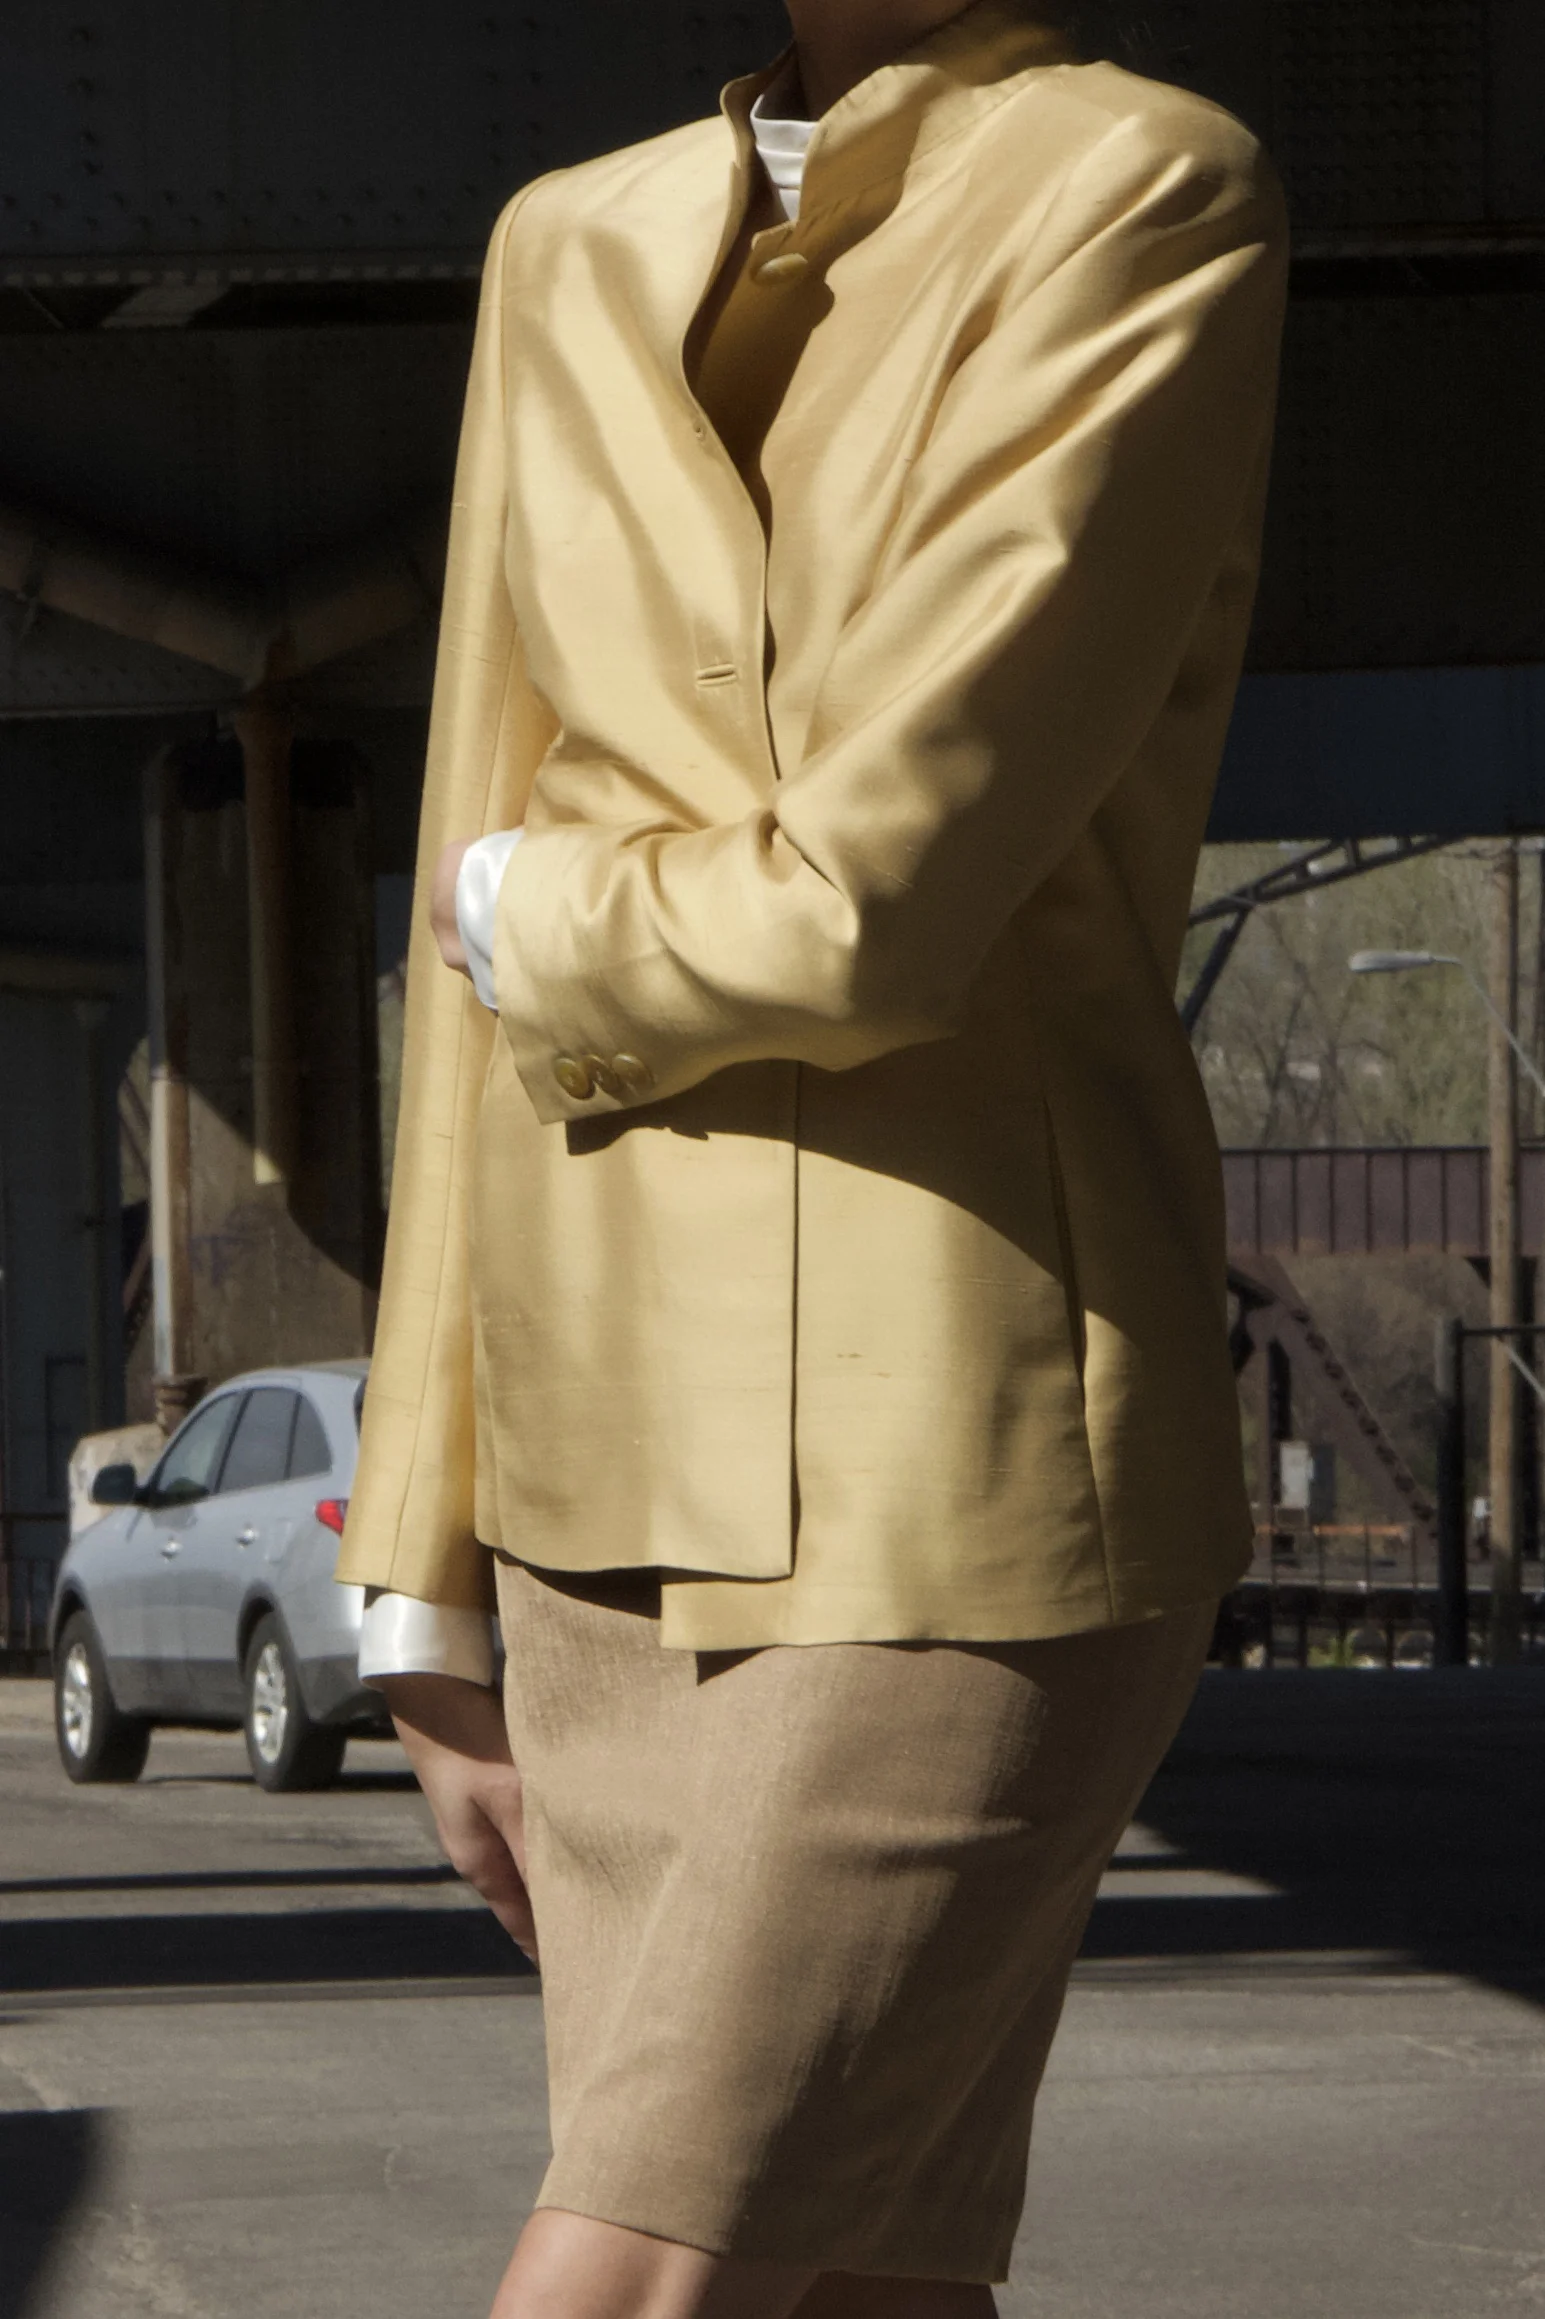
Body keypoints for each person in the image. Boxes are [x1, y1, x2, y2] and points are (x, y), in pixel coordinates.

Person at [336, 1, 1288, 2311]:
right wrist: (420, 1580)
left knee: (631, 2271)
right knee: (861, 2287)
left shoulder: (1139, 187)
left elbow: (874, 899)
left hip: (961, 1463)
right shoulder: (565, 245)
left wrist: (531, 908)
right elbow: (470, 869)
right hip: (589, 1499)